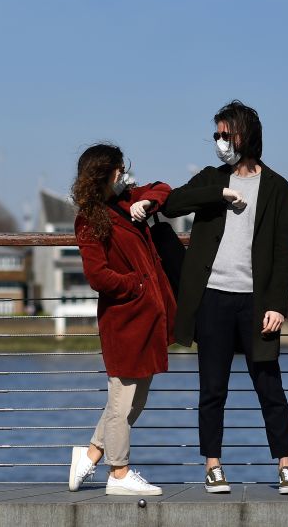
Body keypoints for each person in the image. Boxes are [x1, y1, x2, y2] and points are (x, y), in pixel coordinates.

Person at [161, 100, 288, 495]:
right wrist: (219, 193)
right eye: (216, 135)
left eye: (227, 134)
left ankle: (286, 466)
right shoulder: (211, 178)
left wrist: (277, 304)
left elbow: (281, 250)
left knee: (268, 385)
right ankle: (213, 466)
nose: (221, 141)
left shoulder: (277, 187)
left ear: (246, 135)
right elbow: (172, 204)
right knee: (213, 388)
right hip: (212, 299)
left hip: (256, 304)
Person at [68, 144, 176, 496]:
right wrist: (136, 284)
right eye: (119, 170)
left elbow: (163, 187)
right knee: (123, 399)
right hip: (124, 319)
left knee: (135, 400)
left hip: (147, 317)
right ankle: (119, 472)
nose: (124, 175)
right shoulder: (89, 219)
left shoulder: (128, 199)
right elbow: (97, 275)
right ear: (105, 174)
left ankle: (91, 455)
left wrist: (148, 203)